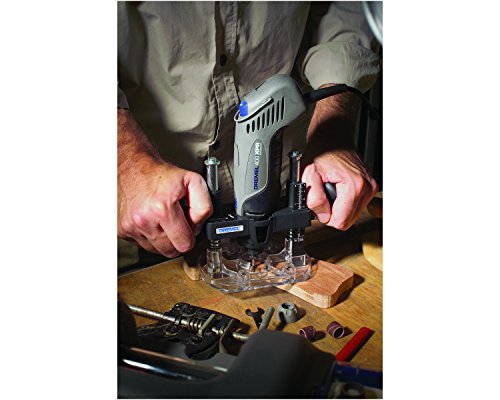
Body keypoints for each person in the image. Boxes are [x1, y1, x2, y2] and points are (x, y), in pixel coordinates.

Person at [117, 1, 381, 267]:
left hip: (290, 183)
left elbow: (349, 9)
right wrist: (126, 161)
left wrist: (331, 131)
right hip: (142, 204)